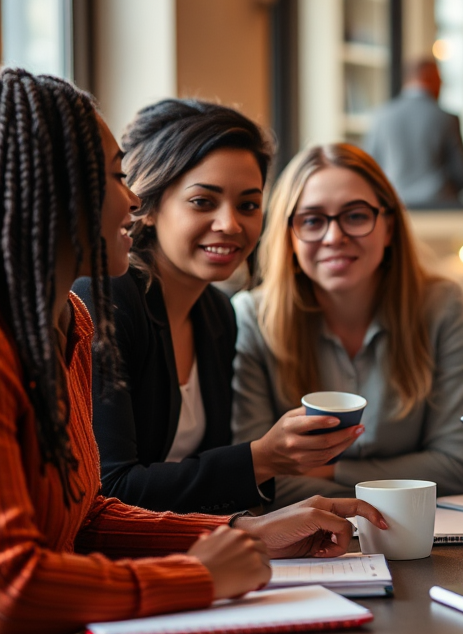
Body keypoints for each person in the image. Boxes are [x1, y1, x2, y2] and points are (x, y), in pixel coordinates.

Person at [0, 71, 385, 634]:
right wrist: (199, 575)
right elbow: (1, 591)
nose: (132, 198)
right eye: (116, 176)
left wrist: (241, 535)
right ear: (49, 191)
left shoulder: (70, 324)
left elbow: (85, 520)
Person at [73, 99, 360, 515]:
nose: (231, 224)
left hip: (195, 552)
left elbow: (210, 479)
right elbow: (111, 490)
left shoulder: (217, 313)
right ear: (148, 207)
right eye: (203, 202)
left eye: (248, 205)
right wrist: (262, 458)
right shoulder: (107, 299)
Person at [233, 143, 463, 507]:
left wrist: (329, 472)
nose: (334, 237)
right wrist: (398, 478)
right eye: (313, 220)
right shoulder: (251, 317)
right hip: (302, 541)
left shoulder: (442, 306)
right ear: (289, 236)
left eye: (356, 216)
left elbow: (454, 468)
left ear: (389, 227)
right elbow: (256, 479)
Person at [363, 57, 463, 207]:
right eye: (440, 79)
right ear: (432, 78)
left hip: (395, 207)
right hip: (440, 208)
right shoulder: (446, 119)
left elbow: (369, 171)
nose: (442, 85)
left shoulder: (381, 116)